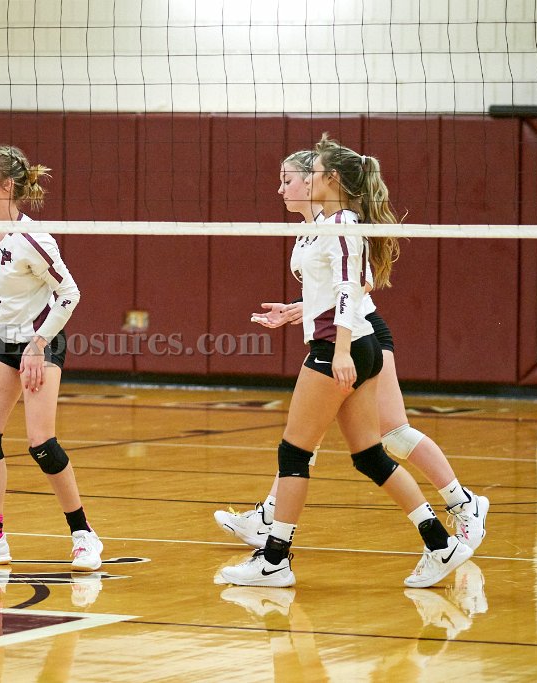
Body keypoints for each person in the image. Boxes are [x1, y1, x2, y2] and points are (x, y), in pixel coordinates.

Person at [220, 135, 472, 589]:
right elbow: (334, 287)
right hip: (356, 341)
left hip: (342, 345)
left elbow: (349, 289)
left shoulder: (341, 224)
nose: (297, 181)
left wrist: (337, 351)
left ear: (329, 179)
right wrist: (297, 311)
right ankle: (441, 544)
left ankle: (273, 560)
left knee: (294, 453)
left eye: (311, 172)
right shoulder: (327, 225)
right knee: (370, 457)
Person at [0, 145, 103, 572]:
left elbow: (70, 294)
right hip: (5, 342)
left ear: (7, 185)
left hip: (41, 343)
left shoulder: (33, 240)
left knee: (41, 444)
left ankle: (84, 535)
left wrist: (39, 344)